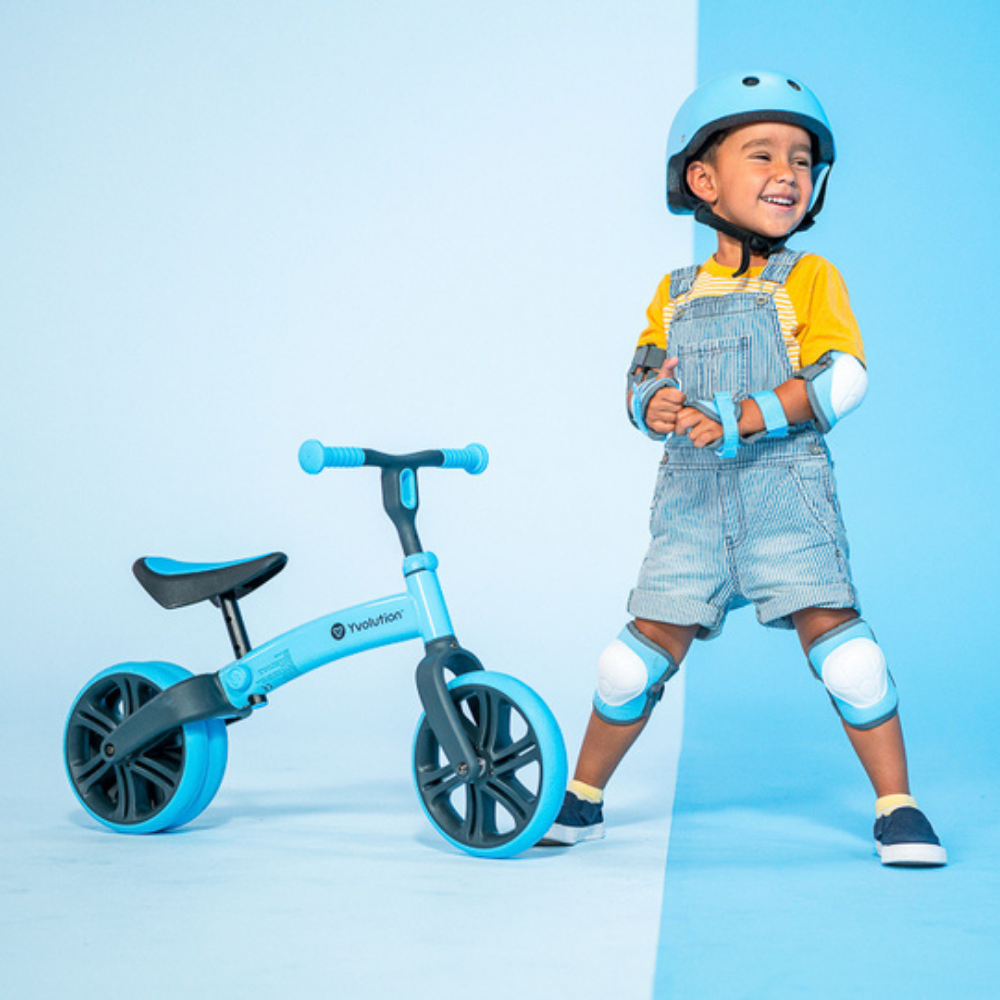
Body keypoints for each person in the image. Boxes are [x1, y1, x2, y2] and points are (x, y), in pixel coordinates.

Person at [540, 71, 945, 866]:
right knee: (628, 665)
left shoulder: (809, 278)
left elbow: (843, 378)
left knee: (850, 660)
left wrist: (744, 414)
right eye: (761, 155)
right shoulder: (675, 291)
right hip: (690, 501)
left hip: (783, 489)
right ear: (703, 179)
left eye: (800, 158)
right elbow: (644, 370)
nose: (787, 173)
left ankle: (899, 807)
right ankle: (581, 801)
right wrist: (650, 403)